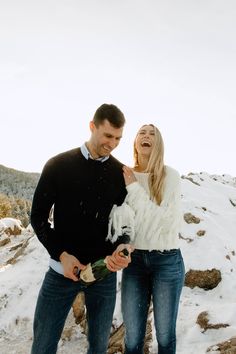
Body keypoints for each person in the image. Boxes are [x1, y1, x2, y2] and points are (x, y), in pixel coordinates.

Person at [30, 103, 132, 354]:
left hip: (103, 275)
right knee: (43, 346)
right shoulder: (58, 164)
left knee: (98, 348)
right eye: (108, 135)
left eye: (118, 138)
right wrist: (62, 256)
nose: (112, 143)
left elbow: (124, 223)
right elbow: (38, 218)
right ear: (92, 127)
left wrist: (122, 246)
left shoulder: (120, 174)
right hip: (60, 274)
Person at [107, 124, 185, 354]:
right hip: (135, 262)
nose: (147, 135)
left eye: (152, 133)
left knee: (164, 336)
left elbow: (165, 223)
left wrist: (134, 188)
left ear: (158, 143)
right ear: (135, 142)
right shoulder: (125, 175)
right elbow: (122, 218)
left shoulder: (170, 175)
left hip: (167, 261)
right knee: (132, 340)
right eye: (142, 132)